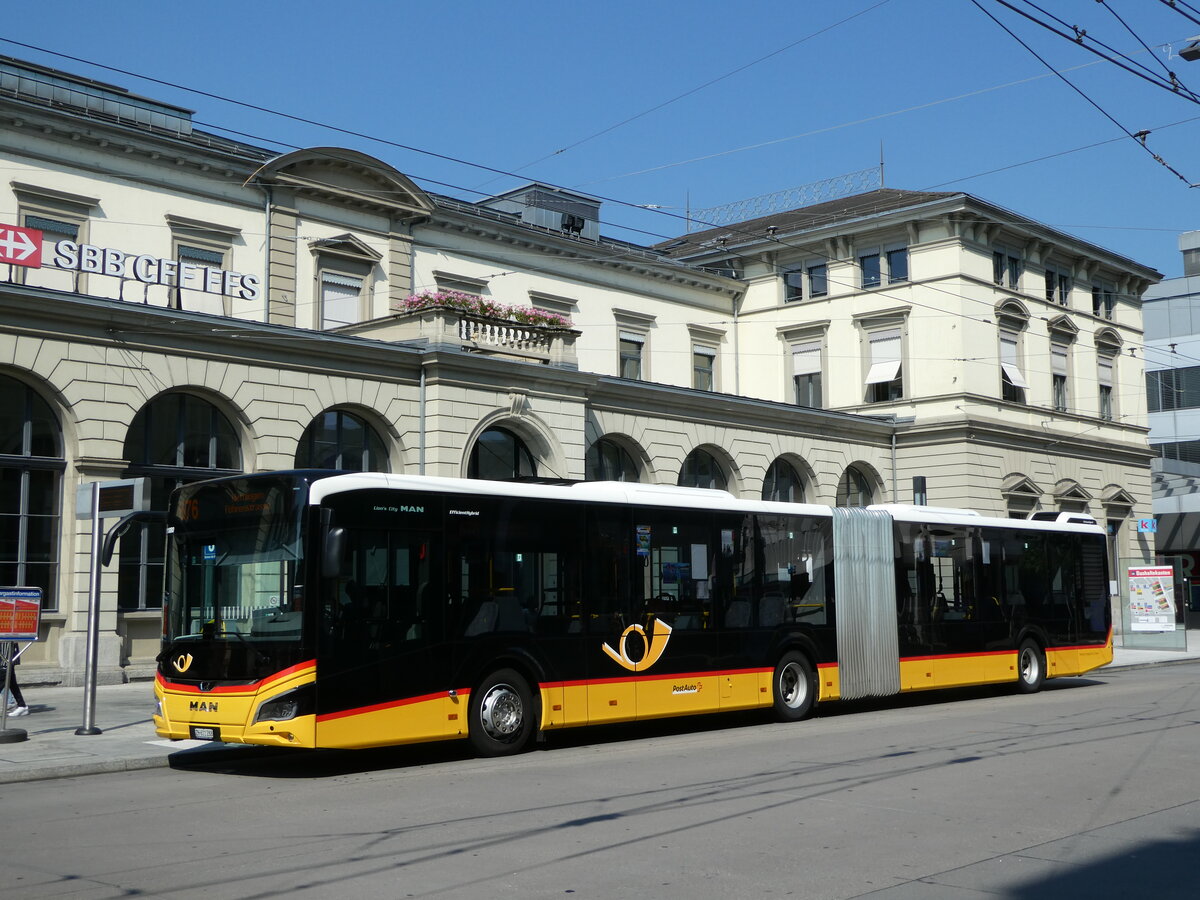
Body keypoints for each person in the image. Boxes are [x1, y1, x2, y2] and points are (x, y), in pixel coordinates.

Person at [2, 642, 28, 717]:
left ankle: (21, 705)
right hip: (5, 654)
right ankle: (22, 705)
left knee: (5, 678)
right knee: (12, 682)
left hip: (6, 653)